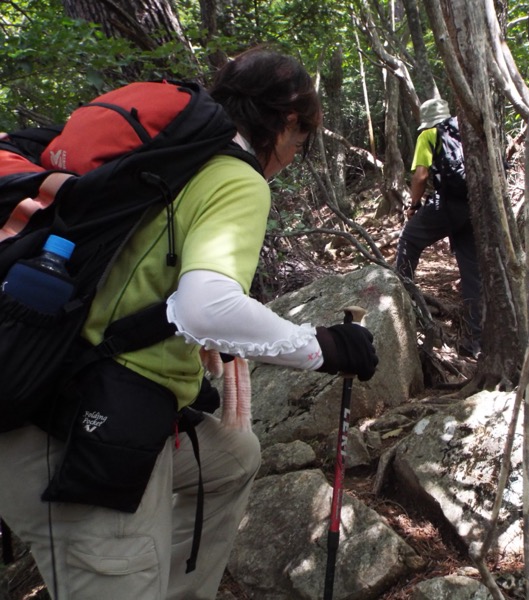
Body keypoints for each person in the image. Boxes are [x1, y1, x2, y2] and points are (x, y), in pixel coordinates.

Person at [0, 48, 378, 600]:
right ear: (288, 122)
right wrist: (324, 347)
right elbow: (207, 308)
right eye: (300, 141)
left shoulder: (166, 164)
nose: (294, 156)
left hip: (49, 401)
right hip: (73, 438)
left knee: (234, 458)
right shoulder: (236, 179)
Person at [395, 98, 482, 358]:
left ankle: (399, 295)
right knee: (472, 273)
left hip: (447, 204)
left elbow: (420, 176)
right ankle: (476, 342)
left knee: (409, 239)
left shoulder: (429, 134)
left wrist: (414, 205)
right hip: (475, 206)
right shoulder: (464, 129)